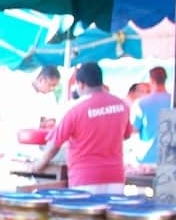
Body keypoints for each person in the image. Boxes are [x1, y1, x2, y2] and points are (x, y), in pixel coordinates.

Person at [32, 62, 132, 193]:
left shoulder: (75, 109)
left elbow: (54, 145)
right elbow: (126, 135)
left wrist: (37, 166)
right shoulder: (121, 105)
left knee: (85, 214)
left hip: (85, 180)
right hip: (115, 179)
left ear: (81, 84)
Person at [0, 65, 61, 159]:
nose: (52, 88)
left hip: (29, 148)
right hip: (10, 144)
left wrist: (45, 122)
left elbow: (45, 121)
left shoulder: (46, 96)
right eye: (51, 85)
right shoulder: (20, 89)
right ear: (41, 79)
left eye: (55, 86)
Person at [132, 65, 172, 163]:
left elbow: (134, 130)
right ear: (165, 79)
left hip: (146, 157)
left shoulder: (141, 102)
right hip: (169, 156)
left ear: (151, 80)